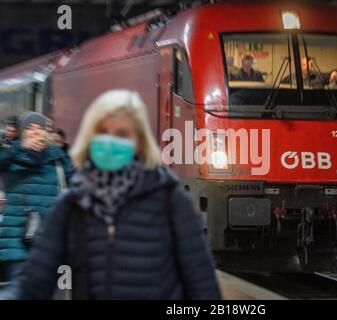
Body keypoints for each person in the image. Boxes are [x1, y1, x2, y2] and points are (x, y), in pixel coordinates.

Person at [0, 90, 221, 300]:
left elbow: (202, 285)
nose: (111, 142)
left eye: (122, 134)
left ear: (139, 142)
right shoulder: (72, 204)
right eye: (102, 132)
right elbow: (33, 282)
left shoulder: (170, 202)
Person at [0, 112, 73, 283]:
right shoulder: (12, 156)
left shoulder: (58, 159)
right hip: (18, 243)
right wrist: (20, 147)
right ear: (23, 132)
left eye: (40, 128)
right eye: (30, 128)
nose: (35, 132)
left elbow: (77, 184)